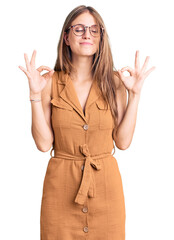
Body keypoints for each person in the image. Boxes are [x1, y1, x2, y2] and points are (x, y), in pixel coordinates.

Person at [18, 5, 155, 240]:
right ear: (66, 37)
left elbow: (122, 142)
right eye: (79, 29)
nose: (87, 35)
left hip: (106, 190)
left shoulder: (115, 82)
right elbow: (43, 144)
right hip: (60, 190)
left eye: (94, 30)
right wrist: (34, 94)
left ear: (101, 38)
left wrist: (135, 95)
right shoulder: (49, 82)